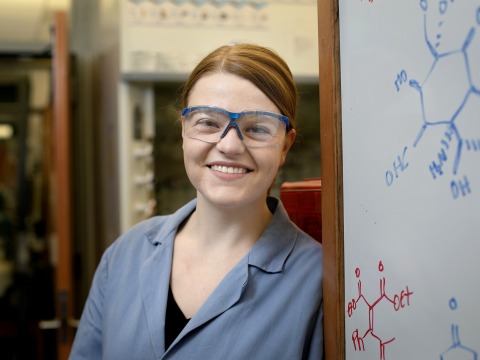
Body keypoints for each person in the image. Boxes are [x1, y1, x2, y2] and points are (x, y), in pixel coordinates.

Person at [70, 43, 323, 360]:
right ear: (184, 130)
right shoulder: (125, 255)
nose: (229, 145)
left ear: (285, 145)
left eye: (257, 128)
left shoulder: (319, 282)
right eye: (208, 123)